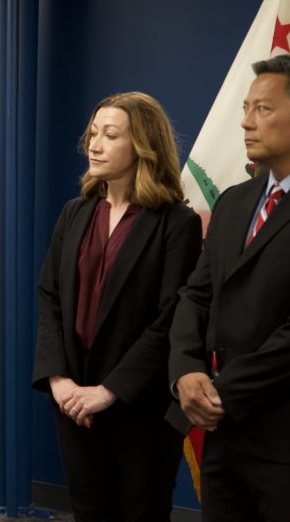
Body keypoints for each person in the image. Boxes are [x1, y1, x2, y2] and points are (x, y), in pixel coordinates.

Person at [32, 92, 202, 522]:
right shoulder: (75, 213)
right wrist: (59, 380)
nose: (95, 144)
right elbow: (49, 297)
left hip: (139, 408)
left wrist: (108, 392)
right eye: (93, 133)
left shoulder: (176, 223)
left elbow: (171, 319)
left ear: (144, 146)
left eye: (110, 135)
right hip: (73, 404)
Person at [169, 55, 290, 522]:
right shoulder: (235, 201)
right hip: (222, 438)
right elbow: (196, 295)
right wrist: (184, 371)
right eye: (245, 107)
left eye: (262, 109)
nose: (245, 122)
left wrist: (221, 394)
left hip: (278, 437)